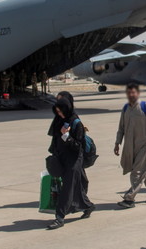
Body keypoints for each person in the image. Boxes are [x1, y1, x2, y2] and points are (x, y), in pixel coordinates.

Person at [46, 93, 94, 229]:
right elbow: (55, 140)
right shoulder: (59, 120)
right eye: (57, 112)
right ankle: (88, 206)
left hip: (73, 161)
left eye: (61, 112)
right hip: (61, 158)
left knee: (67, 189)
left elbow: (78, 146)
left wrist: (66, 136)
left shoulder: (76, 123)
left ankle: (59, 217)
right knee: (76, 187)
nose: (59, 114)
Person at [114, 83, 146, 208]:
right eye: (129, 92)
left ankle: (129, 199)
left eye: (133, 92)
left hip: (144, 146)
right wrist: (117, 143)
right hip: (130, 147)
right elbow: (121, 128)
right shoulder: (125, 108)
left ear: (138, 93)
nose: (131, 95)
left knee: (137, 172)